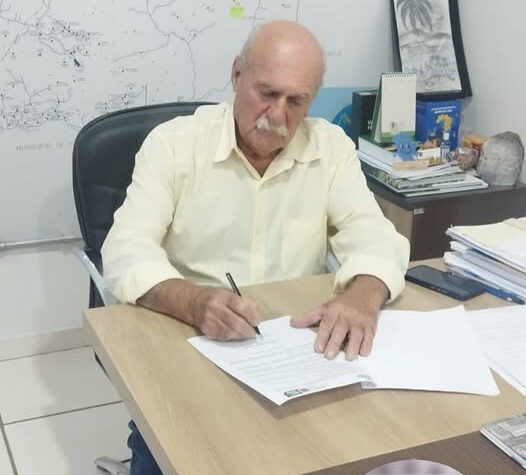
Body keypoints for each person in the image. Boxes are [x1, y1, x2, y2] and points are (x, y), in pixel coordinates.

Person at [102, 20, 409, 475]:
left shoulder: (331, 149)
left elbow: (374, 236)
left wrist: (362, 296)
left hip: (290, 351)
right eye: (267, 93)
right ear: (236, 75)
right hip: (187, 338)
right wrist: (194, 302)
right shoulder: (173, 145)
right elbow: (126, 249)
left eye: (296, 101)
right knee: (178, 452)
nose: (277, 114)